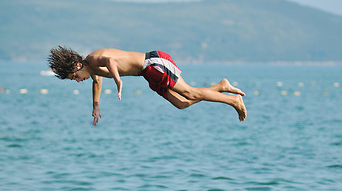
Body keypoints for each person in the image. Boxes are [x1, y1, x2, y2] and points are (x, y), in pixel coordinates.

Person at [48, 46, 247, 125]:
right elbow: (97, 81)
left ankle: (234, 101)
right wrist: (95, 105)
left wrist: (118, 81)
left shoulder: (92, 59)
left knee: (191, 93)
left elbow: (109, 60)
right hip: (147, 74)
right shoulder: (92, 70)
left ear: (77, 64)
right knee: (181, 103)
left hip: (153, 64)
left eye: (74, 76)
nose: (77, 80)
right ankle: (221, 86)